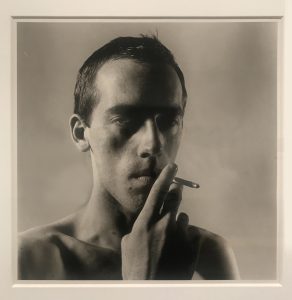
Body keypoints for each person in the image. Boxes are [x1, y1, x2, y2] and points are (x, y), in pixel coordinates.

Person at [18, 35, 240, 280]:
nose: (153, 144)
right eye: (125, 120)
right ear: (81, 134)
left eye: (168, 121)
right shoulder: (28, 258)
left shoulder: (209, 257)